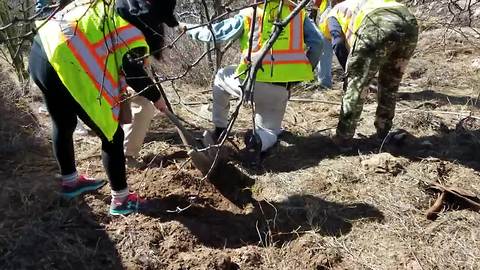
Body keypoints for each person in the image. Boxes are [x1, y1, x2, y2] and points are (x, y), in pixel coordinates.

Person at [29, 0, 180, 215]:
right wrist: (157, 99)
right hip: (66, 63)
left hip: (42, 49)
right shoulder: (133, 32)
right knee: (112, 135)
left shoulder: (112, 5)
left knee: (63, 122)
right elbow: (134, 74)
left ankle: (70, 181)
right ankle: (121, 200)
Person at [184, 0, 323, 166]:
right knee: (270, 132)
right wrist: (300, 74)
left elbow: (213, 33)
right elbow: (318, 43)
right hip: (281, 89)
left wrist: (186, 28)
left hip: (250, 84)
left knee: (221, 76)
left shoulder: (249, 14)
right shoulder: (298, 14)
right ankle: (257, 142)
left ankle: (220, 128)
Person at [318, 0, 418, 144]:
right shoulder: (362, 4)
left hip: (378, 23)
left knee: (356, 84)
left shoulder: (332, 14)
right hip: (408, 22)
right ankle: (384, 132)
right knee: (390, 82)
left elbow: (338, 43)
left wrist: (351, 72)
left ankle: (343, 138)